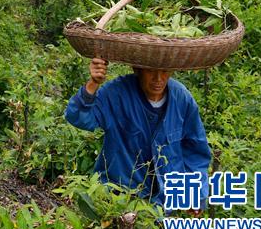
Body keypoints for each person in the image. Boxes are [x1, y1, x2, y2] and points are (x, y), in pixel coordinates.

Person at [64, 57, 212, 213]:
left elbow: (196, 151)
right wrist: (93, 83)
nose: (158, 79)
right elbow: (77, 116)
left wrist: (196, 194)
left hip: (163, 203)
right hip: (116, 199)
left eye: (164, 71)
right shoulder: (116, 93)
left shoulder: (182, 98)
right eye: (150, 71)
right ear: (137, 69)